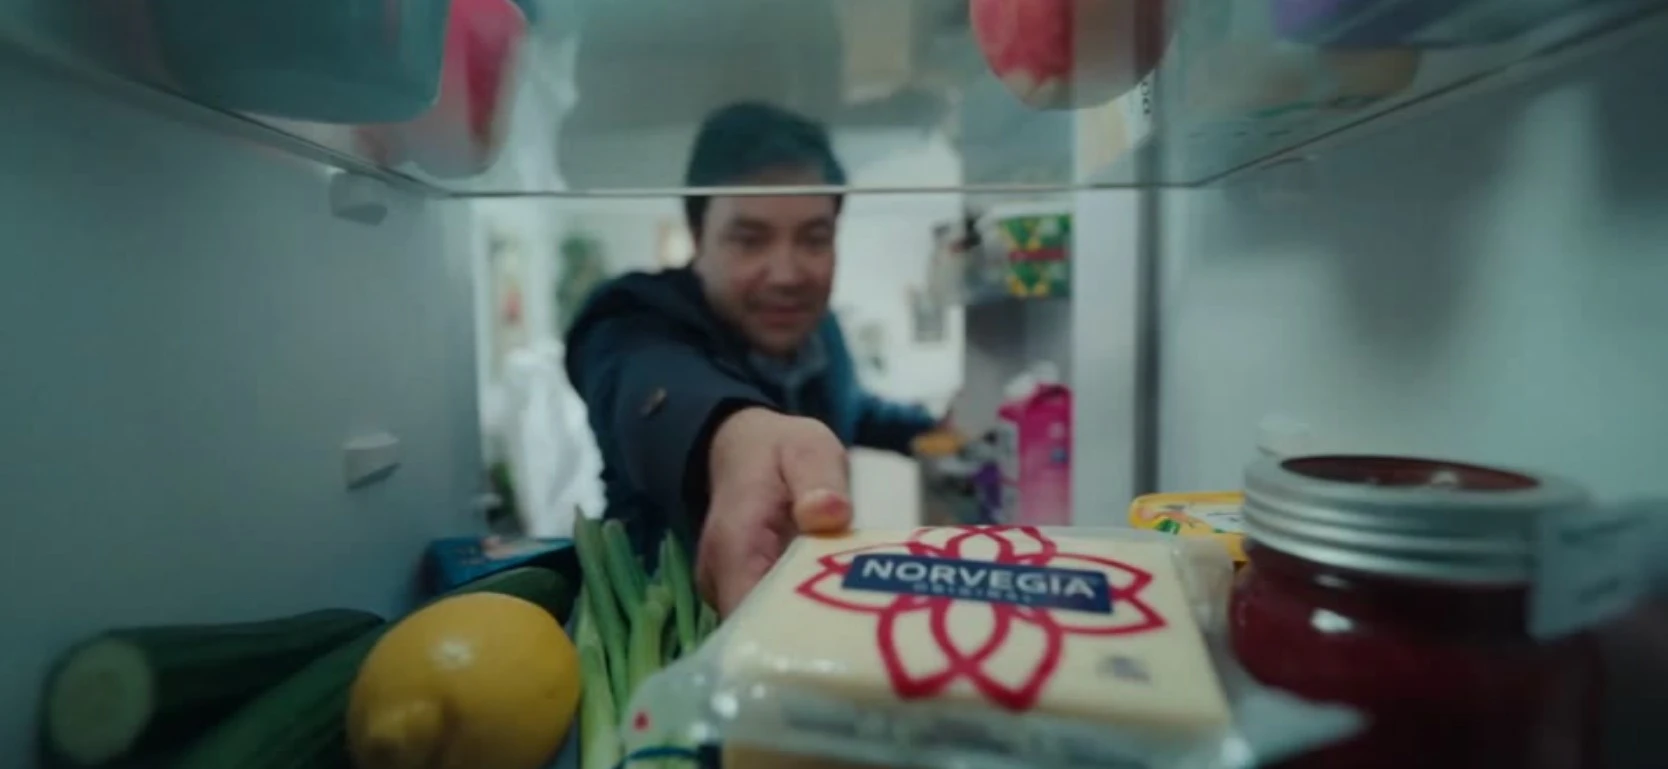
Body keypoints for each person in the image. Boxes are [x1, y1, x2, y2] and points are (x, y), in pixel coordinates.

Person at [564, 102, 943, 618]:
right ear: (699, 239)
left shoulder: (820, 329)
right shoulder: (635, 316)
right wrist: (732, 438)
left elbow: (853, 408)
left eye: (814, 239)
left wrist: (931, 429)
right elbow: (648, 382)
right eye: (750, 240)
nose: (786, 273)